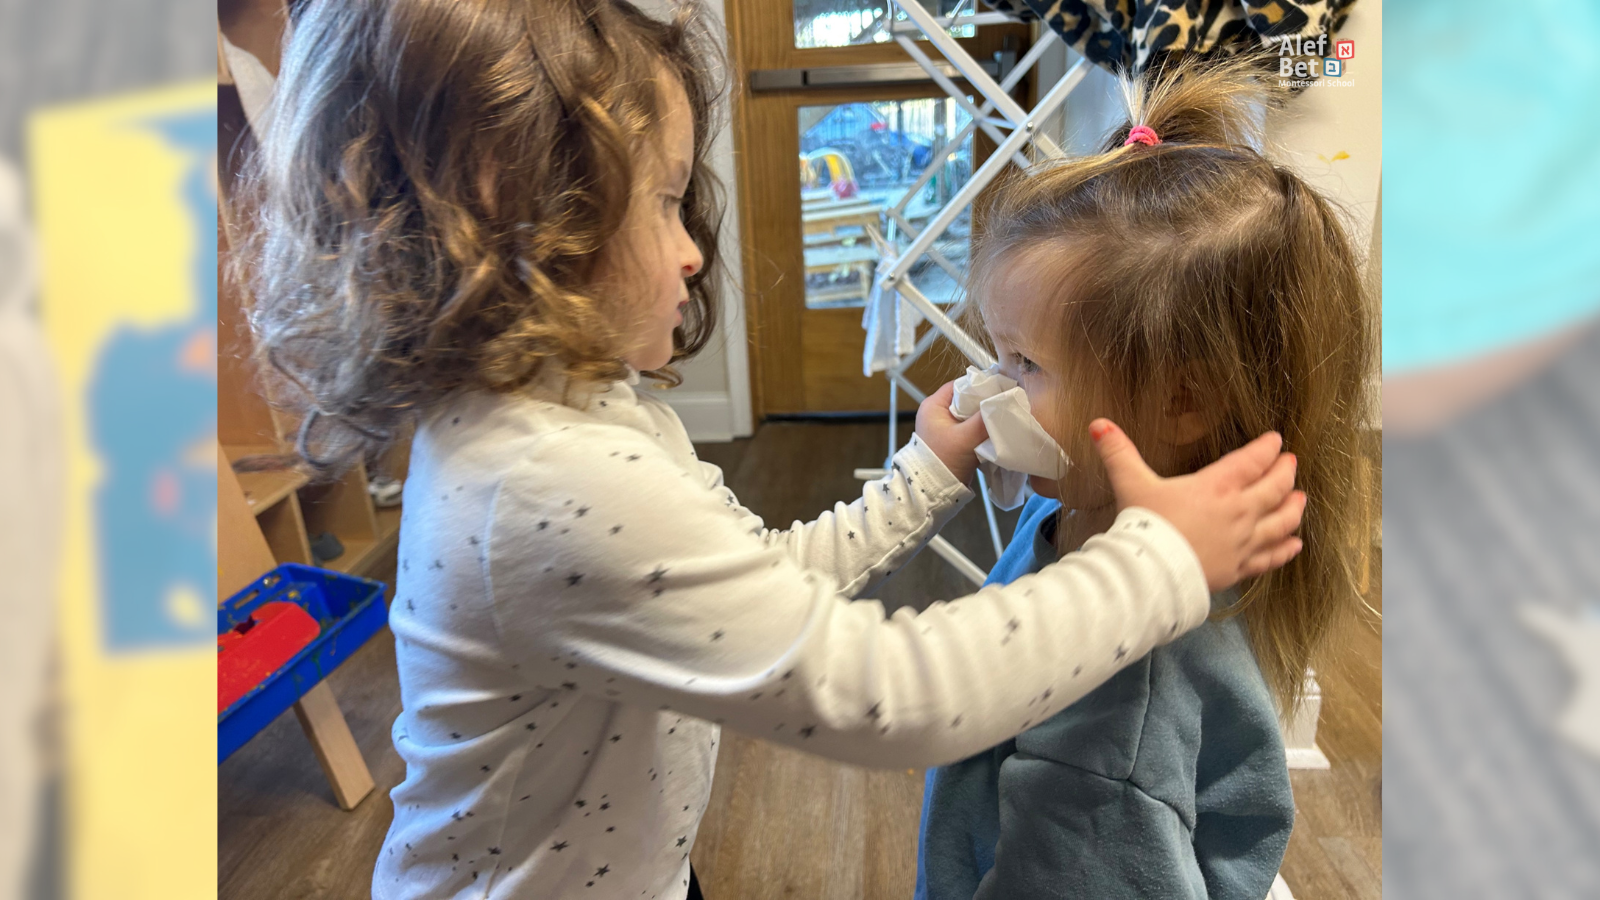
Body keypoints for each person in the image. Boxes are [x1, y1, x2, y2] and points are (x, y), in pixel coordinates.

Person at [236, 3, 1306, 897]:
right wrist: (1159, 561)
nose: (697, 247)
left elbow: (757, 581)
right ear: (517, 230)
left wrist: (923, 476)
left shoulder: (580, 416)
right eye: (663, 202)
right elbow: (889, 691)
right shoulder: (540, 483)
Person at [916, 57, 1373, 900]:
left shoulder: (1120, 704)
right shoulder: (1077, 512)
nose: (988, 389)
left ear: (1181, 402)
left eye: (1024, 364)